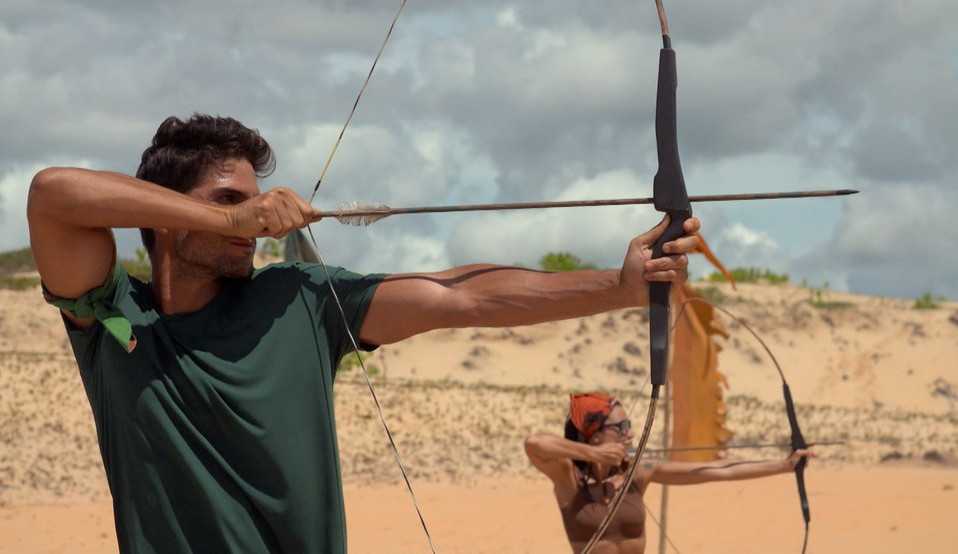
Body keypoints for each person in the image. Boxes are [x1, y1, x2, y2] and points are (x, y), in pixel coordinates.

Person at [26, 114, 701, 554]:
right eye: (229, 199)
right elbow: (53, 195)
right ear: (168, 217)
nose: (256, 214)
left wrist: (619, 289)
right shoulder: (115, 315)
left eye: (254, 197)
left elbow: (457, 296)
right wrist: (233, 223)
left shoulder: (299, 302)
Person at [524, 393, 814, 554]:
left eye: (629, 426)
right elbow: (534, 443)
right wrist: (593, 455)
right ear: (595, 435)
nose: (630, 434)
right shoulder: (568, 479)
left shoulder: (637, 472)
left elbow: (714, 470)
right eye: (620, 428)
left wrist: (783, 466)